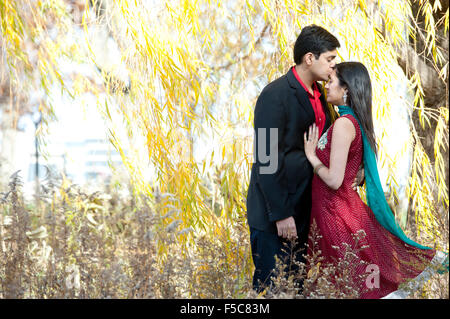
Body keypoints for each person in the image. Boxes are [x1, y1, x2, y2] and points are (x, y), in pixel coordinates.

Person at [304, 61, 448, 298]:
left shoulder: (343, 124)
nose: (326, 86)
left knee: (349, 286)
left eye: (331, 81)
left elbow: (333, 179)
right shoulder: (349, 122)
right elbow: (352, 168)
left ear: (346, 89)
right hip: (333, 212)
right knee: (342, 285)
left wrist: (311, 156)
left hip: (336, 215)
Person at [246, 25, 363, 293]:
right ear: (310, 58)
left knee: (297, 290)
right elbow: (266, 158)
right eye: (330, 59)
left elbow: (335, 145)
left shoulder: (323, 99)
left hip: (306, 214)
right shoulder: (275, 95)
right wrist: (281, 213)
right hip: (274, 216)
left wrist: (358, 170)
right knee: (271, 291)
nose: (335, 67)